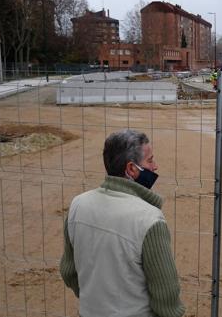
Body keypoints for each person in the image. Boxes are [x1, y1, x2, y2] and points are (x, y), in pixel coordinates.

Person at [60, 130, 185, 317]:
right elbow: (166, 297)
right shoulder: (150, 219)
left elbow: (68, 271)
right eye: (150, 160)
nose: (155, 166)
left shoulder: (78, 205)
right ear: (131, 169)